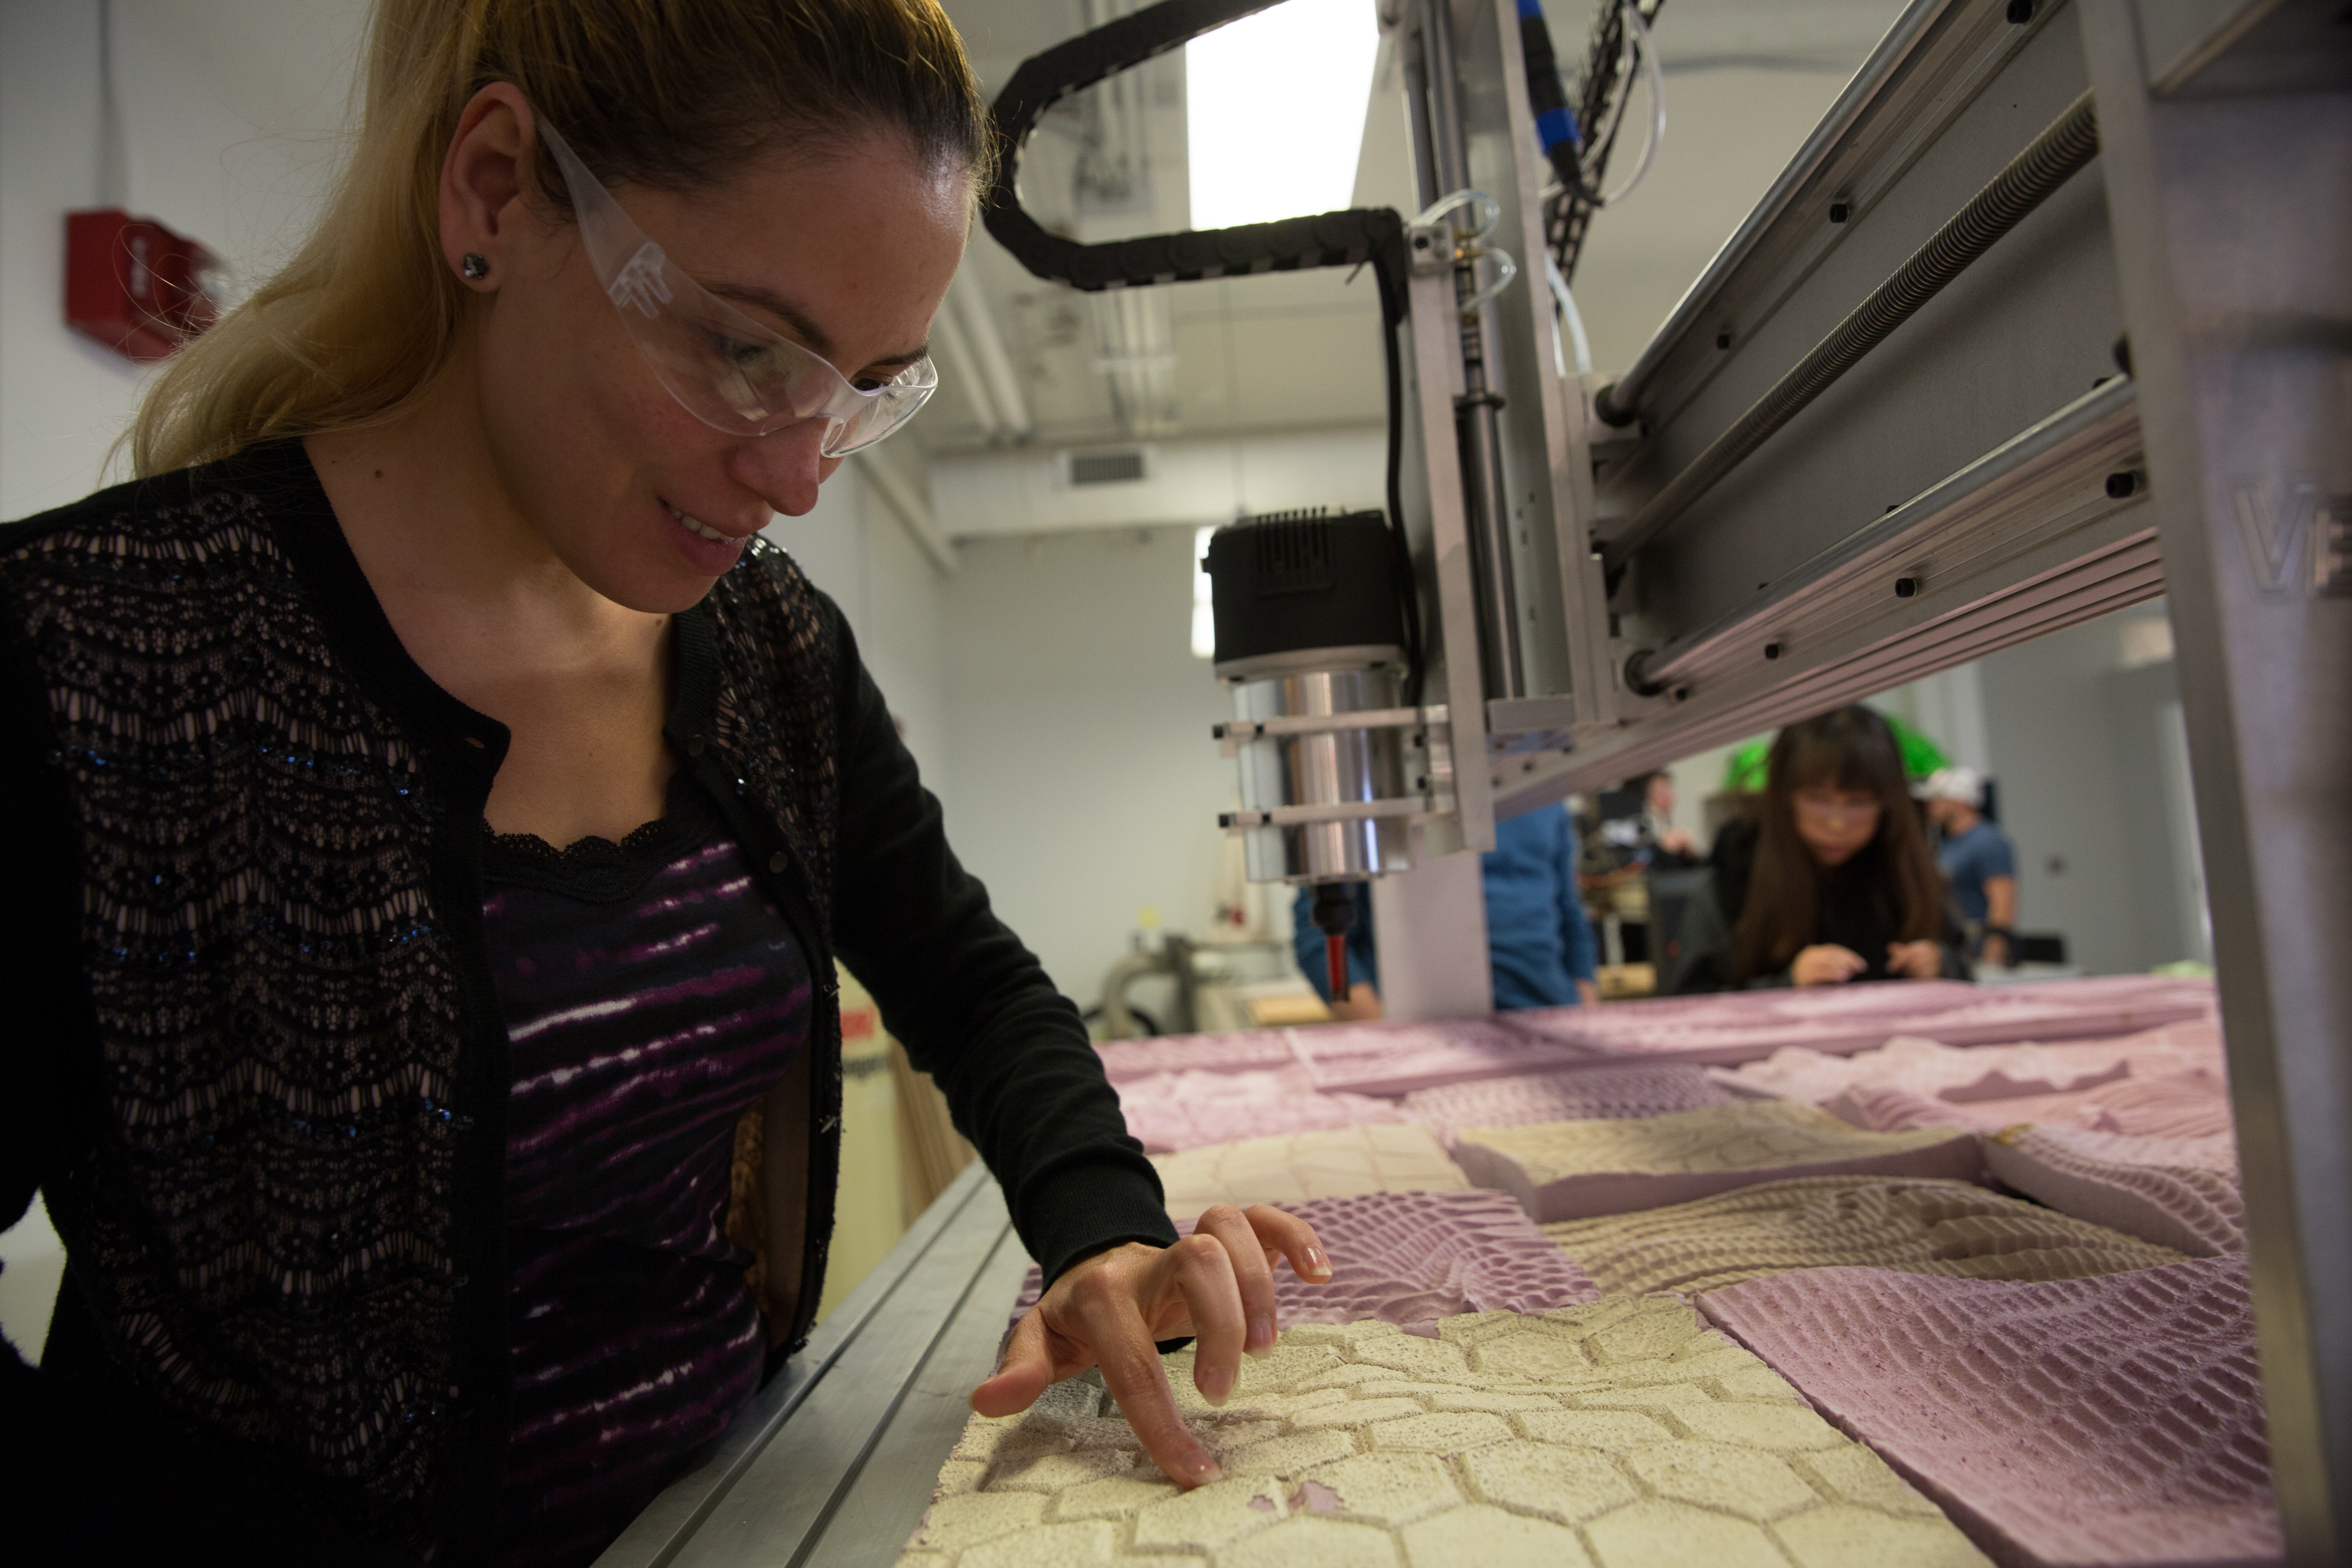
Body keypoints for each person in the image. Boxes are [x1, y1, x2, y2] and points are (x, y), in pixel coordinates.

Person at [0, 4, 1327, 1562]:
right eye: (747, 349)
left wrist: (1101, 1227)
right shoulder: (102, 658)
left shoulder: (765, 649)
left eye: (868, 385)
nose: (798, 471)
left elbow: (967, 980)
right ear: (493, 190)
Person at [1663, 706, 1969, 993]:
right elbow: (1689, 1003)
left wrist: (1943, 966)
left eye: (1859, 802)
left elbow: (1968, 975)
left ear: (1888, 804)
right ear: (1783, 797)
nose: (1837, 824)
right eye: (1816, 799)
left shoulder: (1909, 871)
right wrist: (1784, 987)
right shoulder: (1736, 877)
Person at [1291, 803, 1601, 1016]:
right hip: (1420, 1028)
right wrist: (1386, 1033)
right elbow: (1319, 940)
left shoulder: (1545, 786)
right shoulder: (1373, 793)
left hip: (1548, 1012)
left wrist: (1583, 1008)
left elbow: (1570, 912)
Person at [1919, 766, 2020, 967]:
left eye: (1938, 798)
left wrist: (1992, 957)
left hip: (1979, 953)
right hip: (1956, 952)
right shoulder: (1945, 844)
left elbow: (2003, 903)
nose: (1931, 805)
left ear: (1961, 801)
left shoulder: (1989, 843)